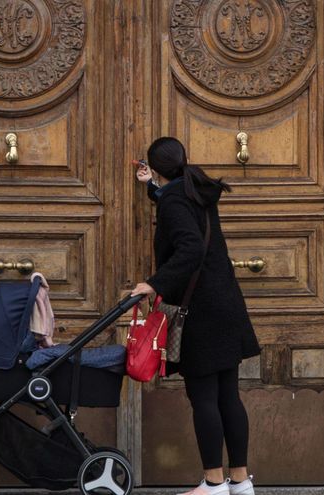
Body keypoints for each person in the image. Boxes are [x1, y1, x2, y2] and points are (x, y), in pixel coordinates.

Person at [130, 137, 261, 495]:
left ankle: (214, 483)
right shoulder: (196, 189)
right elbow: (181, 209)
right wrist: (153, 189)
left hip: (200, 312)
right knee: (228, 397)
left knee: (204, 399)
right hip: (225, 303)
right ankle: (240, 480)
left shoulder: (176, 198)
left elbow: (188, 247)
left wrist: (153, 284)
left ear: (157, 167)